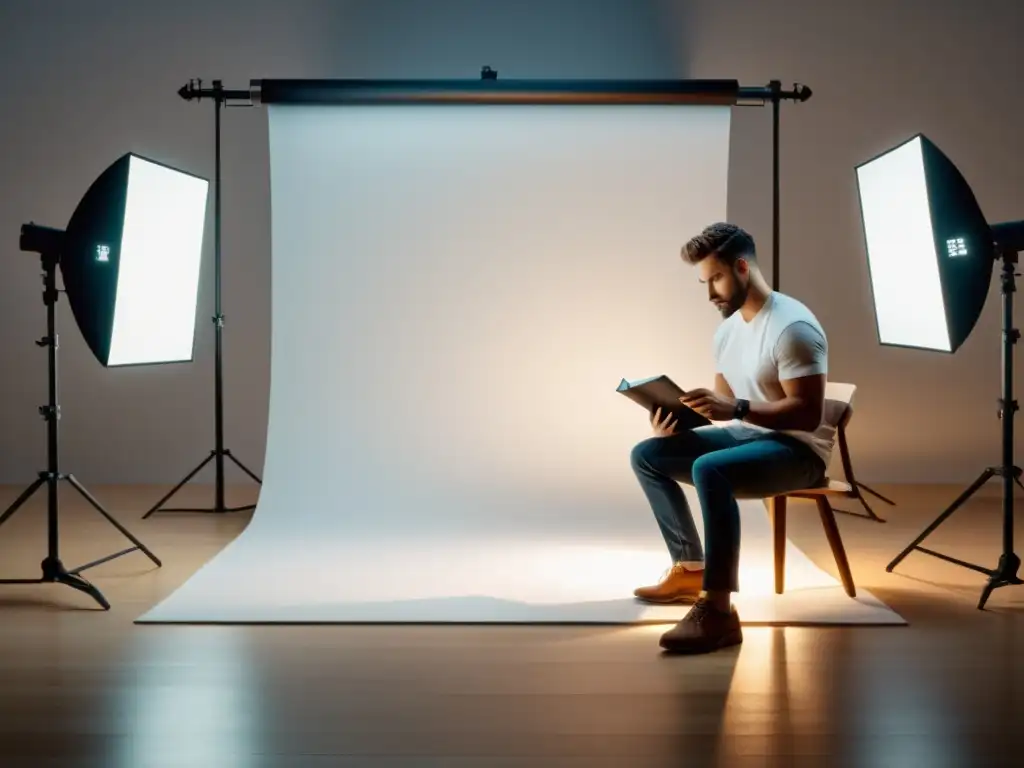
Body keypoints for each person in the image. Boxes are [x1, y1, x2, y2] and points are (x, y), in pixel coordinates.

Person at [630, 222, 834, 655]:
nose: (710, 295)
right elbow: (724, 405)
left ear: (742, 267)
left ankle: (719, 610)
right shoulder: (726, 331)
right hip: (748, 435)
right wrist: (678, 421)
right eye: (704, 283)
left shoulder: (792, 327)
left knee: (710, 468)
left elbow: (808, 413)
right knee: (648, 454)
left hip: (797, 450)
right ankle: (690, 568)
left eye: (716, 279)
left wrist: (736, 409)